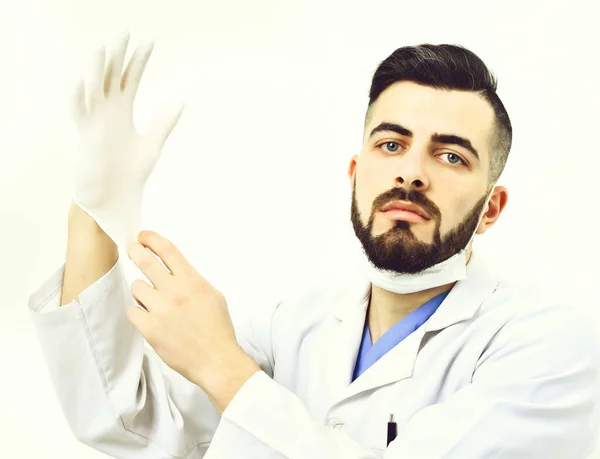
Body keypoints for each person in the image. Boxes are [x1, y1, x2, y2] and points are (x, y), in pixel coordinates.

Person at [28, 36, 600, 459]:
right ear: (357, 172)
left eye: (451, 155)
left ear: (491, 209)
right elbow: (123, 419)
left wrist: (222, 367)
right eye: (391, 143)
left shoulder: (548, 347)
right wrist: (95, 210)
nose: (412, 174)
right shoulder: (294, 324)